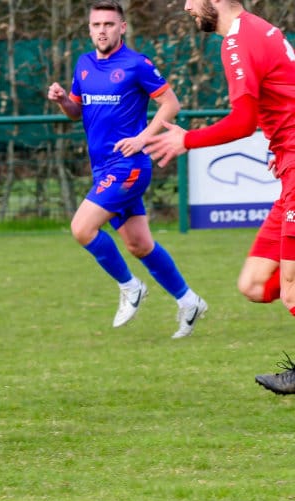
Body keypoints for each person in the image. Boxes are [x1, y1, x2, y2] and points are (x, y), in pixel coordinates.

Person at [143, 1, 295, 392]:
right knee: (256, 284)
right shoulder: (259, 29)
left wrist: (187, 139)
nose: (187, 6)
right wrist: (279, 149)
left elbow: (243, 122)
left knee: (291, 286)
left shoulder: (238, 40)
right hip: (289, 167)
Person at [47, 0, 207, 339]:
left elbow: (171, 104)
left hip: (129, 166)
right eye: (96, 25)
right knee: (139, 245)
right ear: (89, 29)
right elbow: (76, 112)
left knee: (81, 228)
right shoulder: (84, 64)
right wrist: (63, 100)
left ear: (122, 27)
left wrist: (143, 138)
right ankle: (189, 301)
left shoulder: (137, 64)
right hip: (102, 167)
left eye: (109, 24)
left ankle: (130, 287)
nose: (102, 30)